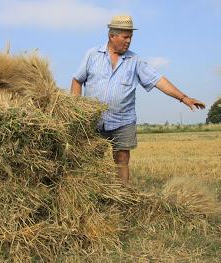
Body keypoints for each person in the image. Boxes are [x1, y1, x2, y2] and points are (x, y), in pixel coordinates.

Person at [70, 15, 205, 185]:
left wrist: (184, 98)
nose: (129, 41)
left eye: (131, 37)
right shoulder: (92, 55)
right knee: (91, 159)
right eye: (125, 37)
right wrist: (76, 111)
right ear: (112, 36)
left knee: (122, 159)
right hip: (93, 120)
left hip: (122, 121)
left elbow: (158, 81)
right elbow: (77, 80)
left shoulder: (135, 61)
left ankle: (122, 195)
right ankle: (92, 193)